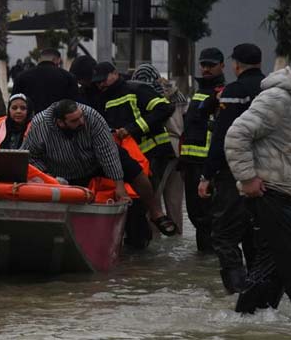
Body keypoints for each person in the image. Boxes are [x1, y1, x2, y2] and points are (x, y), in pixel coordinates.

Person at [226, 53, 291, 314]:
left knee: (271, 266)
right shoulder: (277, 99)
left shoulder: (286, 102)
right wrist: (247, 178)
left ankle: (249, 317)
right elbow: (236, 134)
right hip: (273, 194)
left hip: (276, 195)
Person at [22, 99, 176, 238]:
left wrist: (119, 186)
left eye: (81, 116)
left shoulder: (91, 117)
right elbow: (30, 157)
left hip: (96, 160)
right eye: (75, 121)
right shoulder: (40, 125)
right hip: (62, 170)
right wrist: (49, 178)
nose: (81, 121)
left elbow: (108, 152)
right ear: (60, 123)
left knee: (134, 169)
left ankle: (156, 212)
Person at [198, 43, 265, 294]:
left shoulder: (234, 90)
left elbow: (222, 136)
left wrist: (207, 175)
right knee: (253, 233)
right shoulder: (269, 89)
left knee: (224, 235)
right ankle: (260, 288)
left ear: (235, 65)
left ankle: (238, 294)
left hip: (233, 172)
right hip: (266, 172)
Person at [90, 62, 177, 244]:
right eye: (97, 82)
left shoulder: (136, 89)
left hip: (153, 152)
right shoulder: (103, 98)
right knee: (135, 203)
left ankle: (149, 243)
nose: (101, 85)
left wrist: (132, 129)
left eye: (103, 80)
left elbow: (165, 109)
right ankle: (141, 243)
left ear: (114, 73)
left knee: (145, 201)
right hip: (129, 158)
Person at [131, 63, 187, 234]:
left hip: (159, 149)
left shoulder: (147, 96)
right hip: (179, 149)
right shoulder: (178, 95)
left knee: (153, 199)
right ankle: (177, 235)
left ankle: (154, 238)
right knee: (175, 200)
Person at [180, 47, 226, 252]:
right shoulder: (200, 91)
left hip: (207, 164)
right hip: (190, 162)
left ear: (222, 66)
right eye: (203, 64)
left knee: (208, 216)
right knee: (196, 215)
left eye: (211, 65)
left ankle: (212, 259)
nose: (206, 69)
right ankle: (204, 261)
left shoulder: (222, 93)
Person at [12, 47, 78, 114]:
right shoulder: (68, 77)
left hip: (30, 120)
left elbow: (14, 100)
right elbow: (74, 104)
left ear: (40, 59)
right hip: (59, 120)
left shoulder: (22, 76)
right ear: (57, 60)